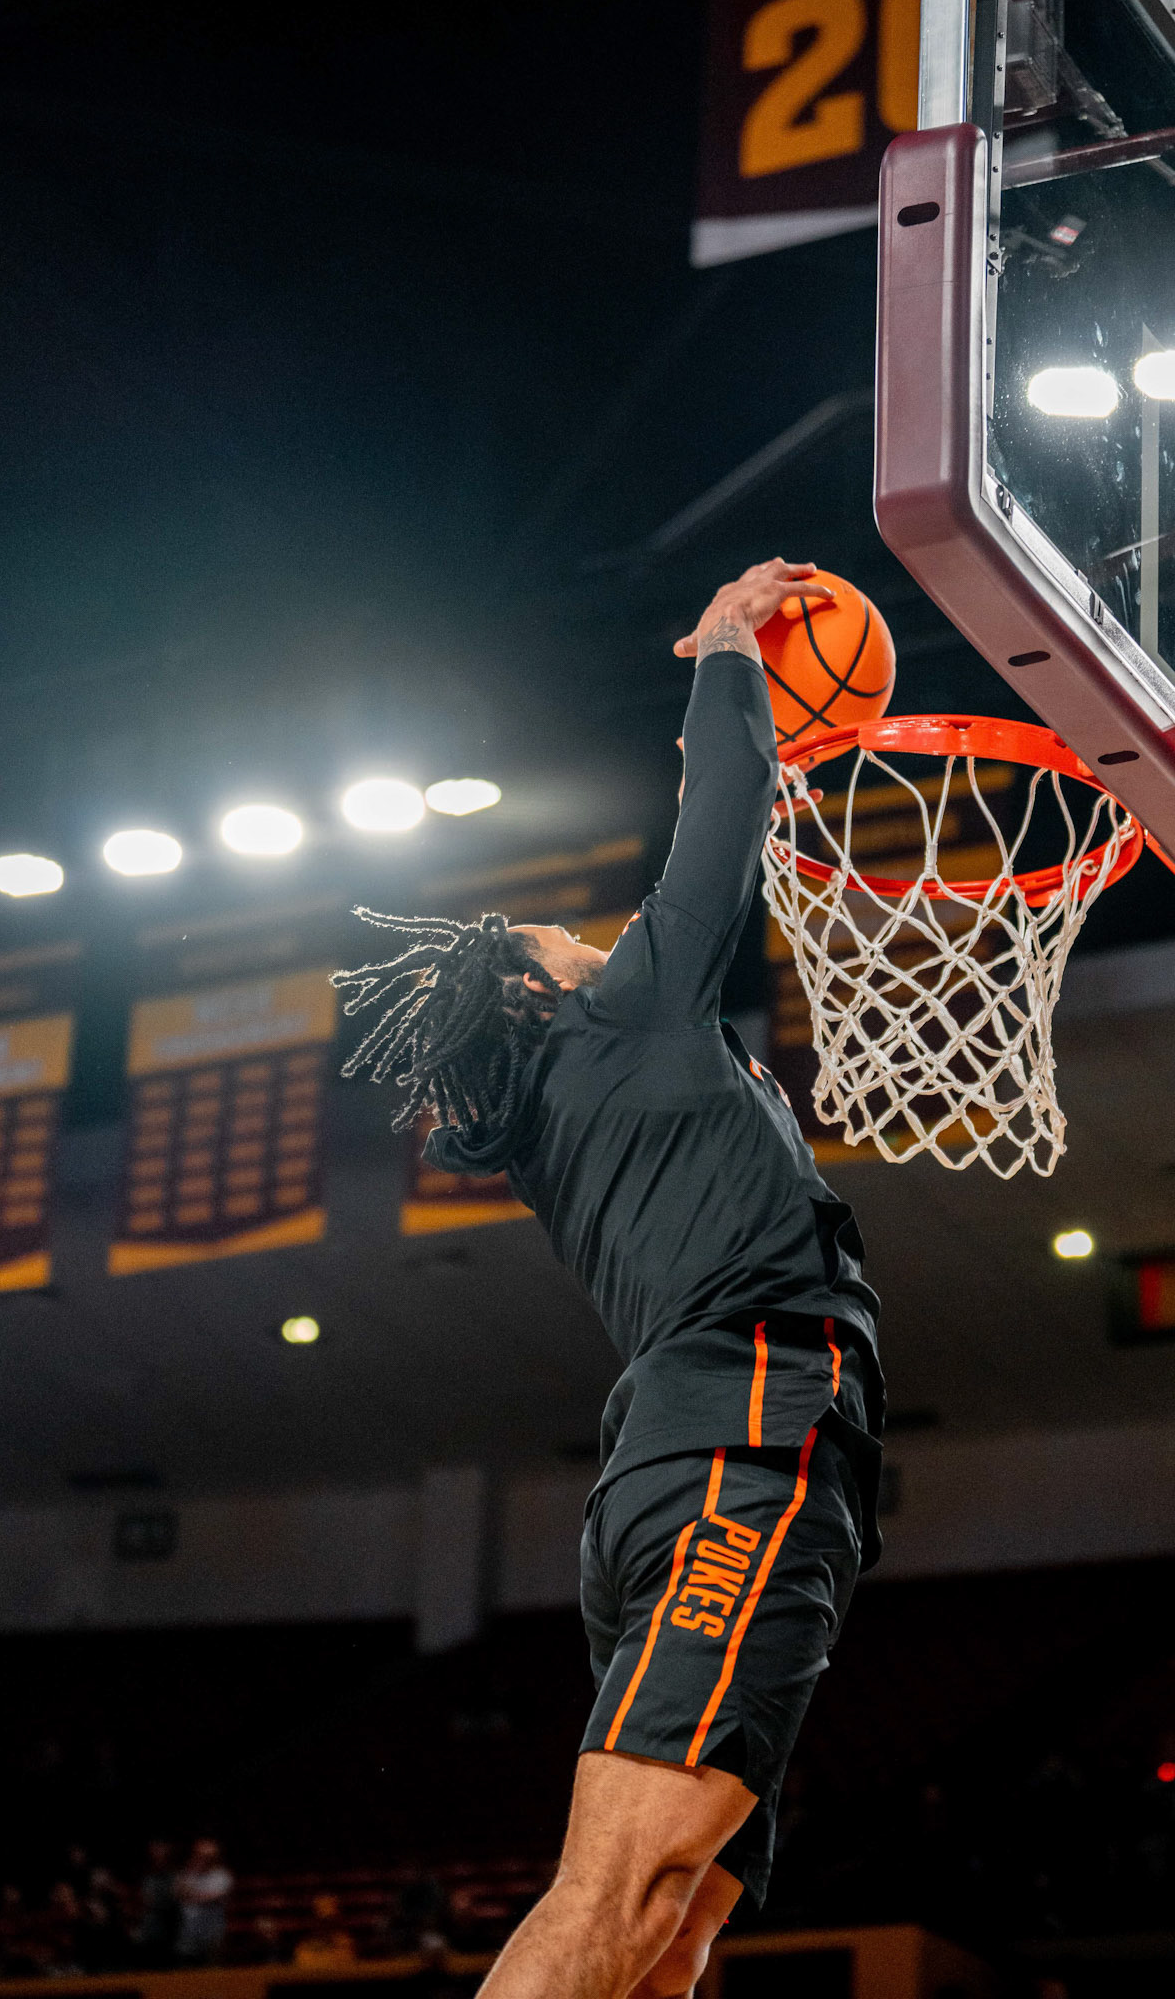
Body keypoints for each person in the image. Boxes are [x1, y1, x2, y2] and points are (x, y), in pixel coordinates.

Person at [335, 560, 885, 1999]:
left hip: (681, 1465)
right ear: (537, 995)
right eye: (556, 935)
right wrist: (729, 651)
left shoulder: (555, 1116)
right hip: (737, 1438)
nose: (590, 933)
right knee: (624, 1895)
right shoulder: (624, 1018)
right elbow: (722, 816)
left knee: (672, 1923)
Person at [173, 1838, 234, 1965]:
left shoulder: (222, 1876)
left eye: (208, 1856)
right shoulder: (187, 1874)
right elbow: (177, 1892)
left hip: (212, 1931)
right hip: (188, 1931)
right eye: (199, 1855)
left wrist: (191, 1896)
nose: (203, 1859)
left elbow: (212, 1897)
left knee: (213, 1967)